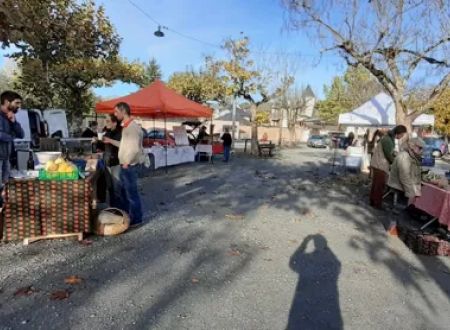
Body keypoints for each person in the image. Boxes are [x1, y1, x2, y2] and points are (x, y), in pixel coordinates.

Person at [114, 102, 144, 227]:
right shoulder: (127, 126)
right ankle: (126, 216)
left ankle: (136, 219)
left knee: (132, 194)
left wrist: (126, 162)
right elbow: (125, 146)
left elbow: (134, 148)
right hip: (126, 165)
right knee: (124, 192)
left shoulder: (132, 127)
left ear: (123, 111)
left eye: (116, 112)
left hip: (129, 166)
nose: (115, 114)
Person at [369, 125, 407, 208]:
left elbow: (390, 152)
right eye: (402, 135)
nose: (402, 137)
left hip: (378, 164)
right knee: (379, 185)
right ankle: (377, 204)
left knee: (376, 185)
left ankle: (373, 202)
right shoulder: (388, 140)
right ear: (398, 133)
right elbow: (389, 155)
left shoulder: (389, 138)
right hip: (380, 164)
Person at [0, 91, 24, 206]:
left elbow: (21, 134)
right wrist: (11, 137)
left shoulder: (9, 117)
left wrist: (14, 122)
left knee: (4, 190)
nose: (19, 106)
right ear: (6, 102)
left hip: (6, 159)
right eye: (17, 103)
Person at [99, 114, 123, 209]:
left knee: (117, 188)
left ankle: (120, 210)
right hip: (107, 162)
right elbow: (103, 147)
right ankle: (113, 208)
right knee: (110, 188)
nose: (106, 123)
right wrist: (97, 141)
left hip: (117, 163)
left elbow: (123, 145)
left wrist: (110, 140)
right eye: (106, 121)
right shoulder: (107, 132)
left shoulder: (120, 132)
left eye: (108, 121)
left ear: (115, 123)